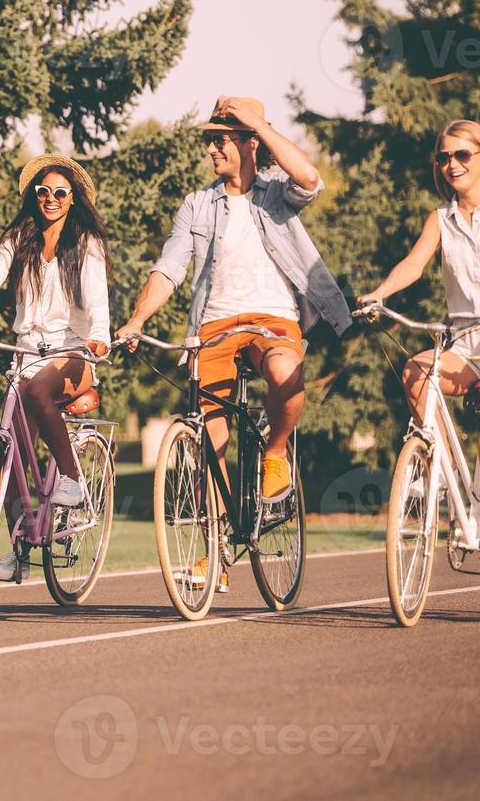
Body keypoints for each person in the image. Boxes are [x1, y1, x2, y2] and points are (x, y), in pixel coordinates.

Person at [116, 96, 351, 591]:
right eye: (208, 140)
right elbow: (169, 268)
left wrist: (258, 125)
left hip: (273, 321)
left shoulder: (276, 193)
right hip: (214, 329)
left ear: (249, 141)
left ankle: (276, 451)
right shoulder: (198, 204)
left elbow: (311, 178)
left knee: (287, 372)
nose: (211, 149)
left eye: (220, 139)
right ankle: (215, 552)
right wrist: (136, 319)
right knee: (209, 442)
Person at [357, 119, 480, 600]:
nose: (452, 164)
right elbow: (414, 264)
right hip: (466, 348)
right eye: (444, 157)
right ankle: (434, 465)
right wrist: (380, 293)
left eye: (462, 155)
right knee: (416, 371)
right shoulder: (440, 219)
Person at [0, 155, 111, 583]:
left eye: (60, 192)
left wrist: (100, 333)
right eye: (43, 191)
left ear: (72, 199)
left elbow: (97, 296)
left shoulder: (86, 244)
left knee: (40, 392)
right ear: (34, 196)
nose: (50, 198)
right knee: (9, 451)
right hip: (24, 354)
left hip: (74, 351)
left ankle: (70, 477)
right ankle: (21, 547)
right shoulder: (20, 236)